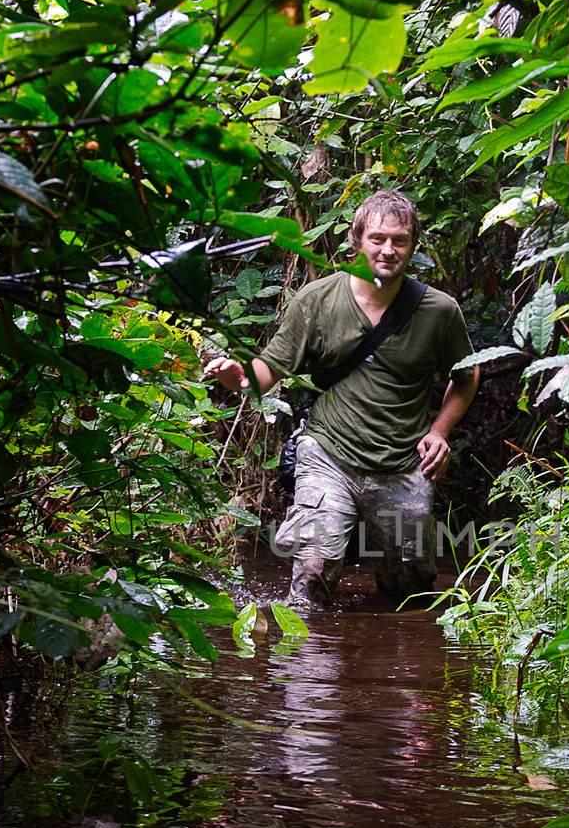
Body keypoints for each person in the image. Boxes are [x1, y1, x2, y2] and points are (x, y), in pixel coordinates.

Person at [203, 189, 479, 608]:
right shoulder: (317, 300)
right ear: (357, 241)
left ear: (412, 246)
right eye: (378, 239)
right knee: (313, 571)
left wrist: (440, 432)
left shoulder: (439, 311)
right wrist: (236, 376)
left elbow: (466, 374)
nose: (388, 250)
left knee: (412, 591)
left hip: (403, 461)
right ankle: (304, 665)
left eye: (399, 240)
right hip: (328, 453)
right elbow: (267, 371)